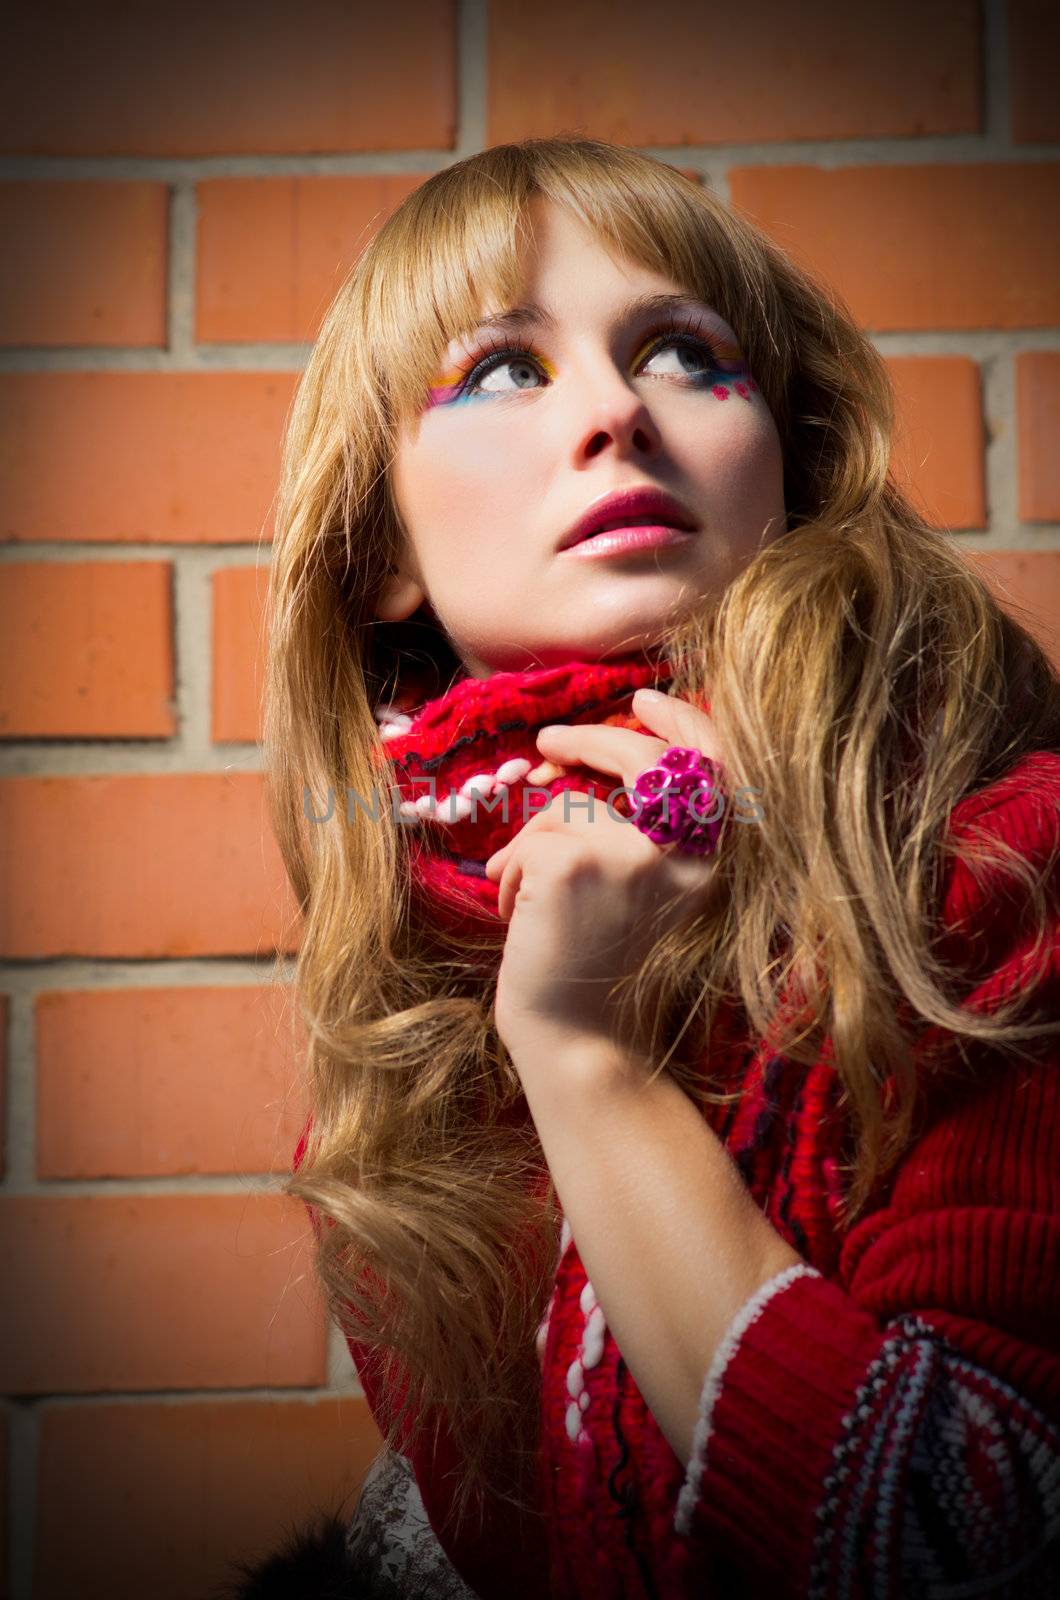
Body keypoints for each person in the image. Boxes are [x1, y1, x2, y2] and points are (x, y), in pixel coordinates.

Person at [265, 136, 1060, 1598]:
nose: (618, 412)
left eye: (686, 353)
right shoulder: (400, 1085)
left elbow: (970, 1547)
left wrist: (586, 1061)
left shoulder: (995, 860)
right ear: (381, 548)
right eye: (504, 369)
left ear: (791, 471)